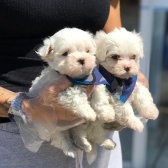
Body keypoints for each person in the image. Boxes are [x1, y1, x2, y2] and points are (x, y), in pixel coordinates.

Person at [0, 0, 147, 168]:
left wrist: (125, 63)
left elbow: (110, 18)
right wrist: (22, 105)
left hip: (97, 124)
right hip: (19, 132)